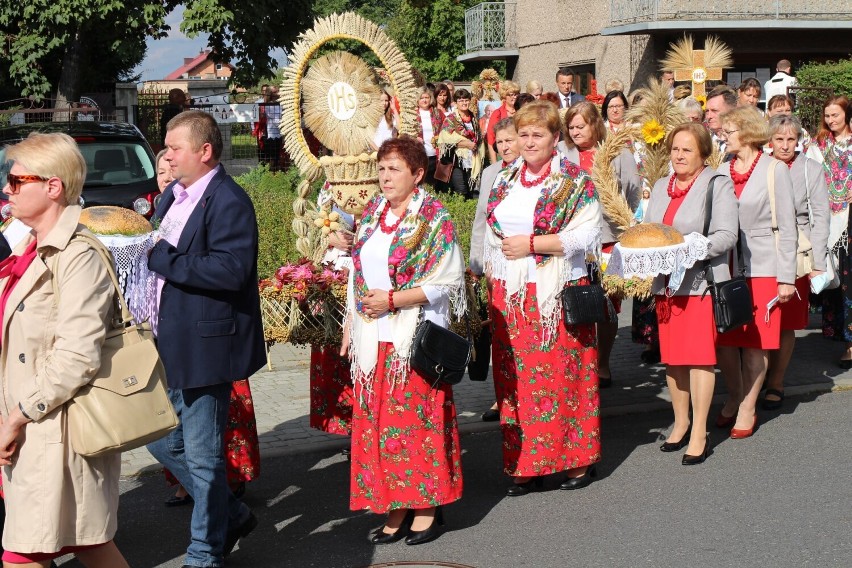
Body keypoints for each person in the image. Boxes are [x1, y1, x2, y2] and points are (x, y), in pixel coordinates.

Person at [0, 132, 130, 566]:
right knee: (86, 544)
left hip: (54, 429)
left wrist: (17, 416)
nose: (6, 187)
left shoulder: (79, 255)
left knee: (26, 553)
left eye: (17, 181)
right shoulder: (28, 248)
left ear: (52, 186)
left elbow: (76, 356)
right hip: (34, 430)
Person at [146, 110, 266, 566]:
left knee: (202, 456)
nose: (168, 157)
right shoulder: (172, 197)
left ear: (205, 151)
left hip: (206, 343)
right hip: (166, 339)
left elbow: (231, 269)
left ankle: (204, 552)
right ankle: (229, 512)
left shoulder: (228, 199)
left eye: (175, 148)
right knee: (159, 440)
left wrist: (161, 259)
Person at [344, 136, 465, 546]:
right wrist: (350, 322)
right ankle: (395, 503)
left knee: (417, 425)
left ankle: (427, 507)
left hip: (410, 338)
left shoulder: (434, 217)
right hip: (372, 337)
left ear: (417, 174)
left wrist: (393, 300)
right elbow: (356, 271)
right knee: (381, 426)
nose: (385, 177)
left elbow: (447, 280)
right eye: (381, 168)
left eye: (394, 169)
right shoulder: (375, 211)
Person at [484, 101, 602, 495]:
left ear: (556, 138)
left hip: (555, 293)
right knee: (517, 383)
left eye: (538, 134)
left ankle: (576, 460)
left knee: (563, 379)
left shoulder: (573, 180)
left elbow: (588, 235)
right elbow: (491, 232)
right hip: (511, 295)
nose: (529, 141)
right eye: (523, 133)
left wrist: (534, 244)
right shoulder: (505, 179)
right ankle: (527, 464)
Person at [643, 123, 738, 464]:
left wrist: (691, 249)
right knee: (674, 357)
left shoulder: (717, 183)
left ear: (702, 154)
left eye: (687, 150)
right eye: (675, 149)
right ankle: (680, 422)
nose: (679, 155)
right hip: (666, 285)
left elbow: (727, 235)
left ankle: (700, 430)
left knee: (699, 359)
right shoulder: (660, 185)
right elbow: (651, 230)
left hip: (700, 282)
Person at [715, 106, 798, 439]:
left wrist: (787, 278)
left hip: (765, 267)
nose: (723, 135)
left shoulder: (774, 169)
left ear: (747, 132)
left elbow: (788, 227)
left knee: (755, 344)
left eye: (729, 130)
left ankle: (748, 406)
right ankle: (735, 396)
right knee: (727, 340)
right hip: (729, 268)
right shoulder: (722, 169)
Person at [559, 101, 642, 387]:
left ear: (595, 124)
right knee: (576, 303)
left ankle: (603, 363)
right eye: (571, 127)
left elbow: (632, 194)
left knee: (607, 305)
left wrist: (622, 227)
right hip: (572, 241)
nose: (575, 131)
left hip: (608, 239)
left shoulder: (618, 153)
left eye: (580, 126)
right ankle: (579, 364)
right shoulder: (561, 153)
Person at [763, 115, 830, 410]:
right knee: (762, 319)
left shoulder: (811, 169)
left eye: (791, 139)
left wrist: (818, 260)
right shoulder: (761, 167)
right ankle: (756, 378)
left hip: (798, 251)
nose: (786, 145)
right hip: (763, 249)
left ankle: (776, 382)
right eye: (780, 139)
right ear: (770, 141)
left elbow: (821, 216)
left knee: (787, 323)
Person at [471, 117, 519, 422]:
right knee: (498, 331)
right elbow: (480, 219)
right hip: (493, 265)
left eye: (509, 140)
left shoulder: (531, 173)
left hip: (523, 262)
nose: (504, 147)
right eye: (499, 142)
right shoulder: (491, 172)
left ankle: (522, 392)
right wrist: (476, 262)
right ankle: (500, 396)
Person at [806, 96, 852, 366]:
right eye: (827, 116)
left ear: (847, 114)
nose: (831, 120)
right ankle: (844, 339)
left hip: (850, 220)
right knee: (838, 284)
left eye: (835, 115)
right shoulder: (820, 145)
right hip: (829, 221)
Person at [437, 89, 484, 198]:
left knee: (473, 189)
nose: (464, 103)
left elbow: (478, 137)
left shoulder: (473, 118)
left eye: (466, 100)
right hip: (457, 161)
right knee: (461, 189)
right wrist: (467, 144)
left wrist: (476, 145)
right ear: (456, 103)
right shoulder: (451, 119)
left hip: (473, 158)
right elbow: (445, 140)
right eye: (460, 100)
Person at [486, 81, 521, 163]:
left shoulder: (521, 111)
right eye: (511, 94)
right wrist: (494, 163)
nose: (514, 97)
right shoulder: (497, 113)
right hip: (503, 155)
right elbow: (491, 140)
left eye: (516, 94)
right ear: (504, 96)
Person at [416, 87, 443, 186]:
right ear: (418, 100)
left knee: (435, 184)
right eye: (422, 98)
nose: (424, 100)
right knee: (421, 182)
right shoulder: (413, 114)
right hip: (420, 154)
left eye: (427, 97)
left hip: (435, 154)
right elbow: (406, 132)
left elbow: (445, 128)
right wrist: (415, 138)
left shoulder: (437, 112)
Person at [263, 86, 283, 171]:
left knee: (278, 153)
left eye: (278, 91)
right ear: (271, 94)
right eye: (275, 92)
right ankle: (272, 171)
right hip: (273, 132)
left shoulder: (281, 103)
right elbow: (274, 119)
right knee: (273, 154)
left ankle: (277, 171)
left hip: (280, 131)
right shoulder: (268, 105)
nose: (278, 93)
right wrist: (283, 124)